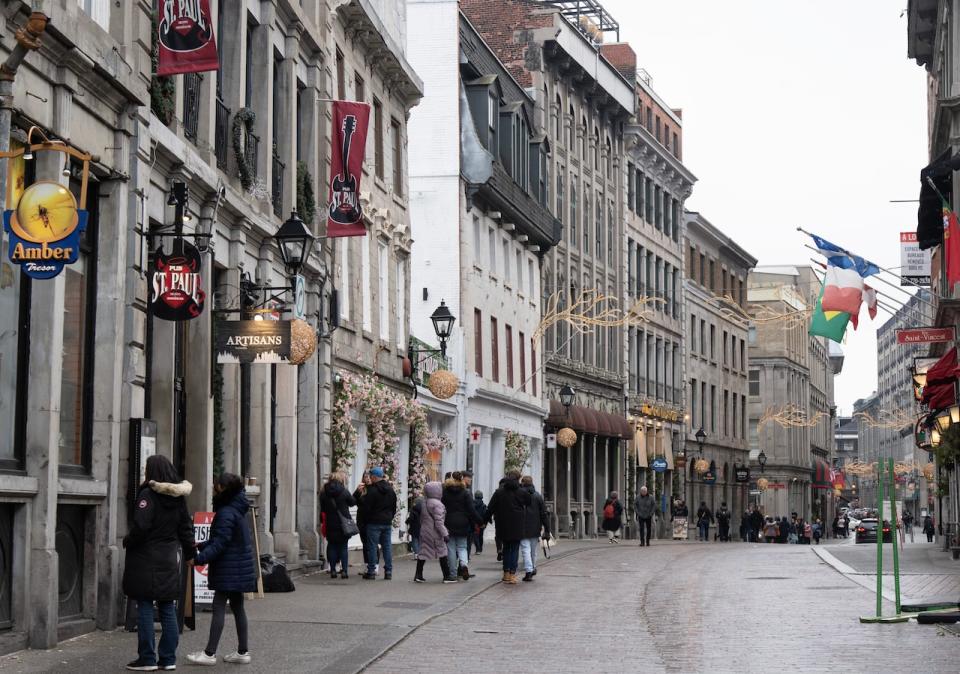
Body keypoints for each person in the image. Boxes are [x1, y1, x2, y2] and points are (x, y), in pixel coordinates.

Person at [122, 455, 195, 672]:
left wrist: (128, 540)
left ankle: (147, 658)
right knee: (167, 606)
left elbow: (141, 527)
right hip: (169, 557)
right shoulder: (179, 498)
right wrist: (191, 554)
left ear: (151, 471)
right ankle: (168, 658)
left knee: (144, 604)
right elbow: (186, 529)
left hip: (146, 557)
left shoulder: (147, 495)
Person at [187, 473, 256, 666]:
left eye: (215, 485)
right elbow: (224, 538)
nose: (212, 487)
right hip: (238, 567)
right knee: (237, 607)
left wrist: (198, 559)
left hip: (229, 568)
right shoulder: (237, 508)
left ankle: (209, 653)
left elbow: (220, 543)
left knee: (219, 605)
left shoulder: (226, 512)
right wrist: (201, 545)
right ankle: (243, 651)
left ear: (222, 488)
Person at [484, 470, 531, 584]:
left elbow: (490, 508)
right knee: (514, 549)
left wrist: (484, 521)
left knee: (506, 548)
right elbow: (528, 502)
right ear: (519, 478)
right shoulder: (522, 492)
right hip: (517, 524)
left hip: (502, 524)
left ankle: (506, 573)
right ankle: (512, 574)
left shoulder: (499, 492)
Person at [360, 467, 397, 580]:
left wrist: (366, 520)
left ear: (375, 477)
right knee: (387, 547)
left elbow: (367, 508)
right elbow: (394, 507)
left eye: (371, 476)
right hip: (386, 522)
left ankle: (371, 571)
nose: (370, 478)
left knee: (372, 546)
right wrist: (389, 517)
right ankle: (388, 571)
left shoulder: (372, 490)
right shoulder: (390, 490)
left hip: (373, 522)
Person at [415, 481, 454, 583]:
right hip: (435, 533)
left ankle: (418, 575)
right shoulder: (438, 505)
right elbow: (439, 522)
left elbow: (422, 519)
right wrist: (445, 534)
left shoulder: (424, 502)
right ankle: (447, 576)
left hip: (425, 531)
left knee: (423, 552)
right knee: (443, 552)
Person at [442, 471, 478, 581]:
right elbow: (471, 509)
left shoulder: (445, 491)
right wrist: (480, 521)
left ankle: (452, 574)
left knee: (451, 548)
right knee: (462, 547)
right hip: (463, 522)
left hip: (449, 522)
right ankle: (463, 565)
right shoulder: (466, 492)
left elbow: (442, 506)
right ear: (461, 479)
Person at [320, 472, 357, 578]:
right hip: (343, 523)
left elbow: (322, 508)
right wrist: (357, 493)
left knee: (331, 546)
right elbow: (352, 502)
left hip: (330, 522)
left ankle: (332, 570)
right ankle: (344, 571)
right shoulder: (344, 491)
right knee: (343, 547)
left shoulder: (324, 492)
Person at [519, 476, 550, 581]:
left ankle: (529, 570)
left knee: (525, 549)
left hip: (522, 526)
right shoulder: (538, 496)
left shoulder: (520, 495)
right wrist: (547, 529)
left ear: (522, 483)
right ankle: (533, 567)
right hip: (535, 527)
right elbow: (544, 514)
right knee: (533, 550)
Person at [353, 471, 374, 574]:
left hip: (373, 520)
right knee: (365, 544)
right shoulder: (362, 490)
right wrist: (357, 491)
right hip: (362, 521)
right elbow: (352, 502)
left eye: (369, 477)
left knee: (373, 544)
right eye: (366, 477)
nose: (368, 479)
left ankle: (375, 567)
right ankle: (367, 566)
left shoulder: (375, 489)